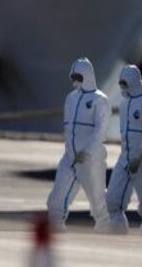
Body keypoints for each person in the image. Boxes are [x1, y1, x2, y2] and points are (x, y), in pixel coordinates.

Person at [47, 58, 112, 231]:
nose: (74, 80)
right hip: (70, 157)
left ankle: (106, 227)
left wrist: (87, 151)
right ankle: (55, 226)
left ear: (87, 76)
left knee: (97, 199)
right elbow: (68, 128)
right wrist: (70, 151)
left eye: (77, 76)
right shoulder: (71, 98)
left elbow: (101, 130)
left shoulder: (100, 100)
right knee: (56, 197)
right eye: (72, 76)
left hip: (90, 159)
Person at [106, 64, 142, 235]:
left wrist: (138, 157)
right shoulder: (124, 104)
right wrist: (129, 157)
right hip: (126, 158)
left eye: (124, 83)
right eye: (120, 84)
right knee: (113, 198)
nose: (122, 87)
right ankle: (117, 229)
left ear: (133, 82)